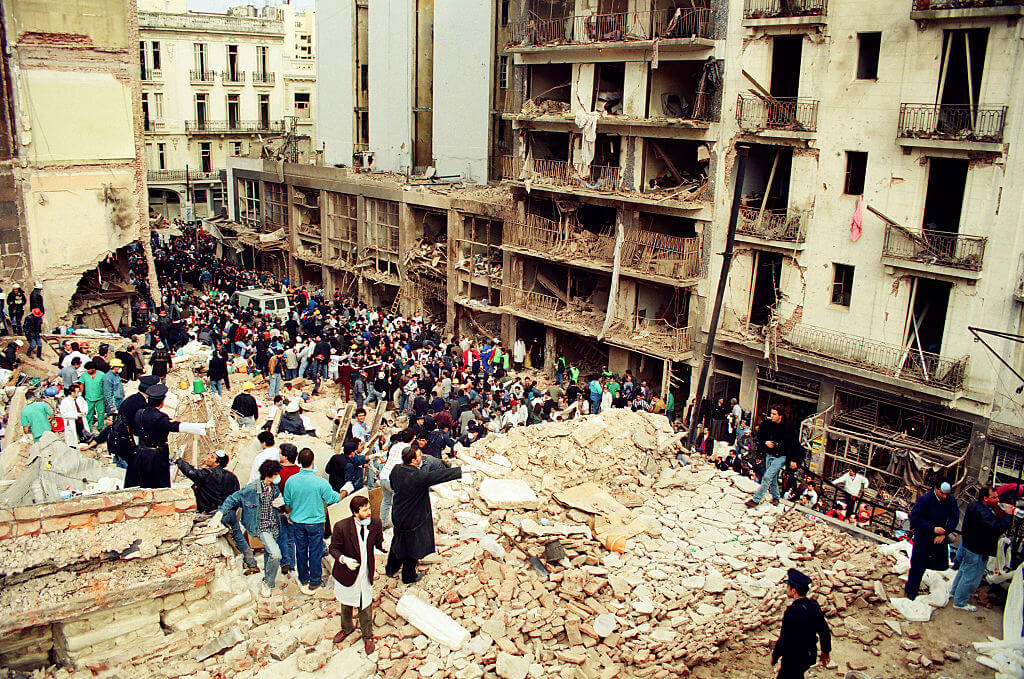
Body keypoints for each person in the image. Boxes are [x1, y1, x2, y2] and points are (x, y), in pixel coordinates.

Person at [386, 445, 462, 584]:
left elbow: (393, 485)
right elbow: (438, 476)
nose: (422, 457)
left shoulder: (397, 469)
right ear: (413, 460)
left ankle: (391, 568)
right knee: (411, 547)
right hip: (413, 518)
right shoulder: (418, 476)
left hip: (398, 513)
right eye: (420, 456)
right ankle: (409, 577)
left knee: (398, 540)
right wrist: (460, 471)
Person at [329, 495, 385, 654]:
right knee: (346, 602)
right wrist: (343, 559)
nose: (369, 512)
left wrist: (385, 548)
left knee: (365, 604)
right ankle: (347, 629)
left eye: (369, 508)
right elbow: (333, 549)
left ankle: (367, 636)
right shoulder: (341, 527)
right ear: (355, 513)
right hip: (347, 572)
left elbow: (378, 542)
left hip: (364, 571)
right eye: (365, 510)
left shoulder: (375, 523)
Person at [127, 383, 211, 489]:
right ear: (162, 402)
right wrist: (203, 426)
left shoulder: (139, 413)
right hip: (155, 457)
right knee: (158, 487)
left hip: (140, 453)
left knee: (141, 484)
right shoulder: (159, 417)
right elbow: (177, 426)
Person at [283, 447, 342, 594]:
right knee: (315, 551)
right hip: (315, 522)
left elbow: (287, 503)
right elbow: (332, 499)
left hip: (298, 522)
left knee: (301, 550)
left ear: (299, 462)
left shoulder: (291, 481)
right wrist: (344, 492)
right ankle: (315, 580)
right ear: (313, 461)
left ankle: (304, 578)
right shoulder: (320, 482)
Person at [220, 458, 285, 584]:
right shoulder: (251, 489)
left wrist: (280, 504)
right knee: (276, 554)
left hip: (274, 526)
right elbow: (232, 499)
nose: (278, 476)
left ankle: (267, 579)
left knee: (269, 553)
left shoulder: (274, 489)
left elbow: (277, 503)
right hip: (262, 527)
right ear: (269, 474)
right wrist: (220, 513)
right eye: (276, 474)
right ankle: (268, 583)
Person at [950, 486, 1014, 612]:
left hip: (968, 545)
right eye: (994, 497)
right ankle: (960, 602)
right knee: (971, 577)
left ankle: (954, 593)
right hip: (976, 550)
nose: (997, 500)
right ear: (985, 498)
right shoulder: (983, 512)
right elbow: (996, 529)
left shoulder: (974, 505)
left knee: (963, 571)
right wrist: (1008, 516)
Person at [771, 568, 831, 679]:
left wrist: (775, 656)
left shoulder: (791, 611)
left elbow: (784, 638)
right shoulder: (814, 605)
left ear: (794, 590)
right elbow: (824, 630)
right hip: (809, 655)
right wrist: (825, 651)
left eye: (788, 586)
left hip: (793, 658)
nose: (786, 589)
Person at [905, 481, 960, 600]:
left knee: (939, 564)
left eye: (947, 494)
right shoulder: (925, 500)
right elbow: (915, 518)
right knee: (918, 564)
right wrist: (932, 529)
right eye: (942, 493)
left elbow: (954, 518)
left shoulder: (950, 500)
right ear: (936, 488)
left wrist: (945, 532)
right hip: (924, 535)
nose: (944, 496)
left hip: (940, 535)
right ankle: (911, 591)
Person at [746, 407, 802, 508]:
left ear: (780, 416)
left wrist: (795, 460)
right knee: (773, 478)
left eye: (774, 414)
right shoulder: (767, 424)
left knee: (767, 477)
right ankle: (776, 497)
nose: (772, 416)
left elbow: (795, 445)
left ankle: (756, 499)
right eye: (771, 413)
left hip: (781, 457)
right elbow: (758, 435)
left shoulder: (789, 427)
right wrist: (765, 442)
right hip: (769, 454)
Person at [173, 449, 240, 514]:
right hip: (226, 513)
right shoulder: (232, 477)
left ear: (217, 463)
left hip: (210, 513)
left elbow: (192, 473)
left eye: (212, 457)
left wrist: (179, 461)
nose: (208, 458)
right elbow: (236, 497)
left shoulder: (208, 473)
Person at [58, 382, 89, 448]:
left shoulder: (80, 399)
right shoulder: (65, 401)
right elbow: (64, 414)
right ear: (72, 392)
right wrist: (76, 415)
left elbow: (85, 406)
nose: (78, 393)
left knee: (82, 433)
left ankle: (83, 442)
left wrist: (84, 412)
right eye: (77, 392)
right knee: (73, 437)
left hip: (81, 420)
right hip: (72, 421)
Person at [78, 360, 106, 431]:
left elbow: (105, 385)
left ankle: (100, 427)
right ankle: (88, 428)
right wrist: (80, 394)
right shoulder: (84, 375)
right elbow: (82, 384)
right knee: (88, 413)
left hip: (100, 397)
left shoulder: (101, 374)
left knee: (101, 413)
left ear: (93, 369)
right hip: (89, 398)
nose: (87, 371)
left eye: (89, 369)